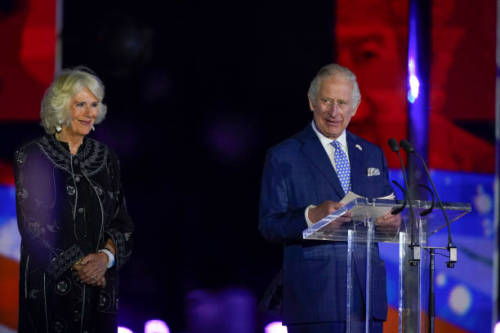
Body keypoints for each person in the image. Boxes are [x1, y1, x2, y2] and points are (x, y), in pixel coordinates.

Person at [259, 64, 399, 333]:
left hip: (366, 302)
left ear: (354, 108)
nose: (334, 112)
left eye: (342, 103)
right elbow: (269, 224)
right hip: (314, 300)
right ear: (312, 102)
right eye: (327, 101)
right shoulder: (284, 155)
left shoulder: (371, 154)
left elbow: (388, 213)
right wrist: (312, 216)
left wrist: (392, 224)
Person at [14, 68, 134, 333]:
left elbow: (123, 225)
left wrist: (105, 258)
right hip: (50, 300)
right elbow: (34, 227)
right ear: (61, 107)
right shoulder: (32, 155)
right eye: (81, 104)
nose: (90, 113)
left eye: (94, 105)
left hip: (98, 301)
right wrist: (83, 267)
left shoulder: (107, 159)